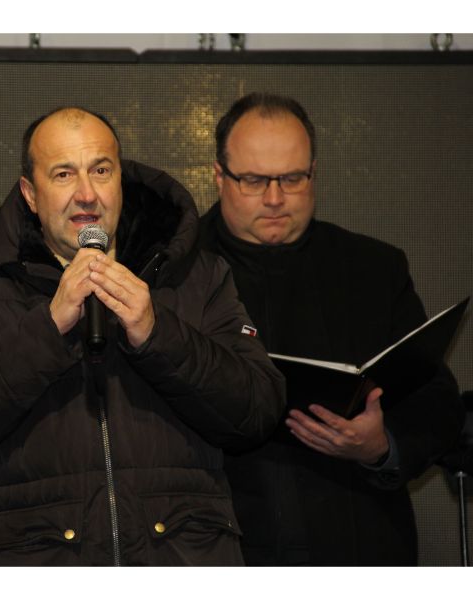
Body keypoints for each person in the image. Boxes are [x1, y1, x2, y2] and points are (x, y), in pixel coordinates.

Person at [0, 107, 286, 566]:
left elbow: (257, 409)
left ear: (120, 182)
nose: (87, 194)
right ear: (31, 194)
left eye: (101, 171)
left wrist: (157, 334)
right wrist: (48, 327)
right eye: (64, 174)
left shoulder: (197, 277)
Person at [198, 92, 463, 565]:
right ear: (219, 176)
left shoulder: (374, 268)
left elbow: (437, 401)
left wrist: (383, 445)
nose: (275, 198)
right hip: (219, 548)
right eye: (254, 180)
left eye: (292, 179)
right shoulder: (171, 275)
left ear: (314, 173)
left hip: (357, 541)